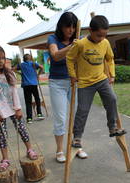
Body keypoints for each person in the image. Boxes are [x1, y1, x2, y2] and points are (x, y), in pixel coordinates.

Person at [66, 15, 126, 152]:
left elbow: (110, 59)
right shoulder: (80, 44)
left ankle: (112, 127)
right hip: (85, 84)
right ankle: (77, 137)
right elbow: (69, 58)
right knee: (82, 110)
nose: (101, 39)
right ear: (90, 30)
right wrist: (72, 75)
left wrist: (112, 74)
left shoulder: (105, 43)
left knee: (112, 99)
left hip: (101, 79)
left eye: (104, 35)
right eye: (99, 35)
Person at [0, 43, 38, 172]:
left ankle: (30, 149)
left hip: (13, 108)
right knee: (2, 135)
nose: (1, 61)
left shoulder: (8, 74)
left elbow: (14, 92)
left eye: (3, 58)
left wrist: (18, 108)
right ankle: (5, 159)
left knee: (22, 129)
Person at [47, 12, 87, 163]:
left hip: (74, 82)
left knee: (77, 117)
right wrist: (73, 46)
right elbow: (55, 55)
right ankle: (59, 150)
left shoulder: (79, 39)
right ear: (61, 26)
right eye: (67, 26)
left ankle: (76, 146)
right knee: (61, 118)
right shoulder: (53, 38)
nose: (70, 30)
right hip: (57, 83)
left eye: (73, 27)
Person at [16, 54, 44, 124]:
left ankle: (29, 118)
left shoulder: (21, 65)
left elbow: (12, 69)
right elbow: (42, 67)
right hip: (34, 84)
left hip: (26, 85)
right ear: (30, 58)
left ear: (24, 59)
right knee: (37, 99)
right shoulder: (33, 63)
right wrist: (38, 74)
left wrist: (20, 73)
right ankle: (39, 114)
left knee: (28, 102)